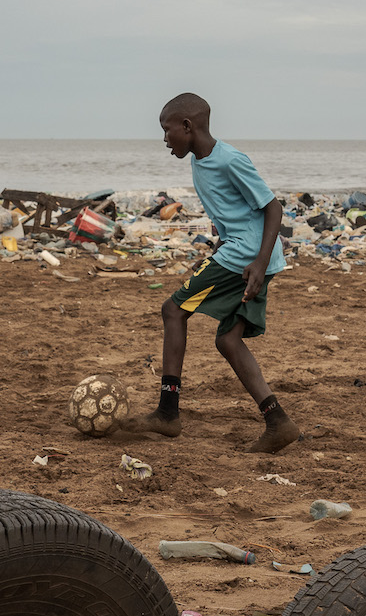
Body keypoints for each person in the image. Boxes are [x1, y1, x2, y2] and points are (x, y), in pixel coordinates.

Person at [125, 92, 300, 453]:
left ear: (187, 127)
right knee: (228, 340)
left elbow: (272, 208)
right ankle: (278, 422)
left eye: (166, 130)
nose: (164, 139)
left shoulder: (229, 160)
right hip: (242, 252)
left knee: (173, 310)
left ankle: (167, 413)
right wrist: (222, 242)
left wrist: (259, 261)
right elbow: (231, 210)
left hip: (249, 256)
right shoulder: (199, 159)